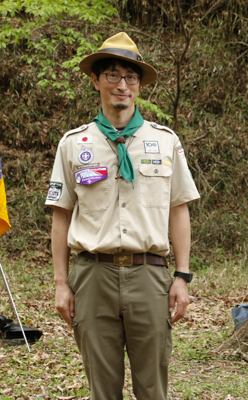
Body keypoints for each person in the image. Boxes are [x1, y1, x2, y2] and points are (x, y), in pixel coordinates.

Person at [45, 32, 200, 400]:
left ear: (140, 86)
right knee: (103, 387)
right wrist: (61, 283)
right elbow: (61, 216)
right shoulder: (74, 144)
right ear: (96, 80)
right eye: (112, 75)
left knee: (152, 386)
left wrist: (182, 276)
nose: (122, 85)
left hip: (149, 275)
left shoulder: (164, 141)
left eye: (131, 78)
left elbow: (179, 210)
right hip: (92, 276)